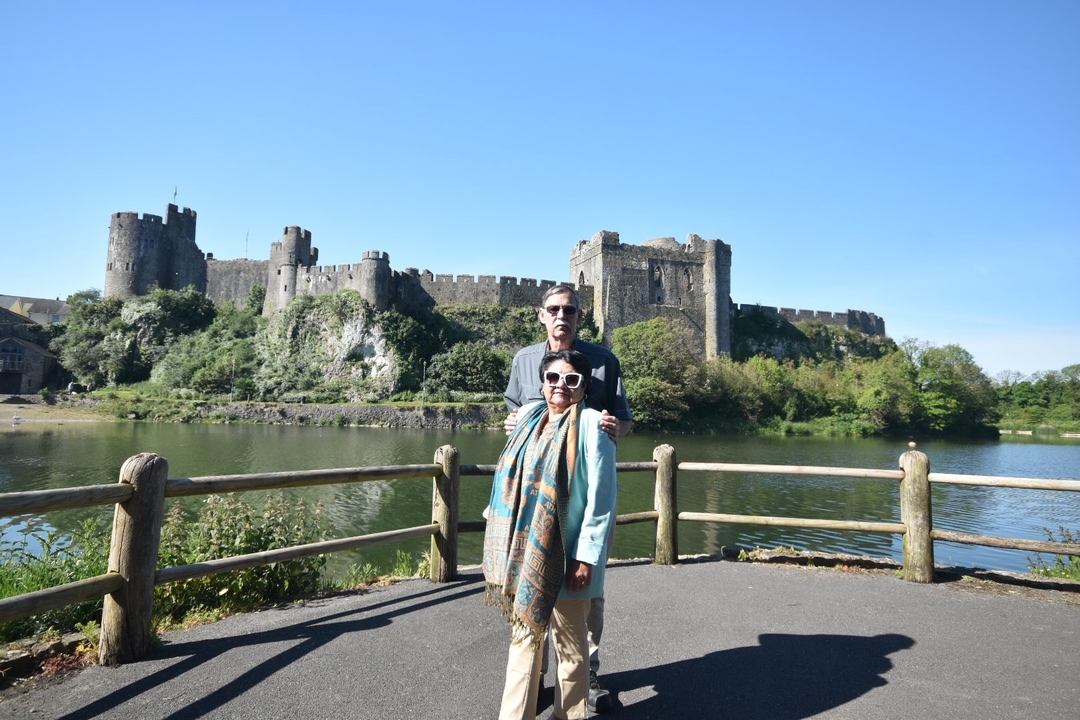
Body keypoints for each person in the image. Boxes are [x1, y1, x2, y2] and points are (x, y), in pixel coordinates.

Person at [503, 284, 632, 714]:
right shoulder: (524, 360)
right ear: (542, 314)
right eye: (554, 309)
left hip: (582, 504)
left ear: (581, 315)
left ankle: (585, 676)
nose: (562, 316)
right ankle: (539, 675)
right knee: (526, 630)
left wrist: (614, 431)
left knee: (584, 601)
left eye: (570, 310)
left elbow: (623, 423)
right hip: (531, 514)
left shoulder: (604, 362)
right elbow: (514, 418)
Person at [485, 350, 617, 720]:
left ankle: (569, 715)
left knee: (571, 648)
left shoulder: (594, 424)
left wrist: (586, 557)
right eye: (553, 378)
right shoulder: (528, 417)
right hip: (525, 553)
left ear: (583, 387)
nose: (561, 385)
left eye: (572, 380)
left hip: (569, 553)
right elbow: (507, 477)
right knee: (523, 643)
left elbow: (600, 498)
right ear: (542, 385)